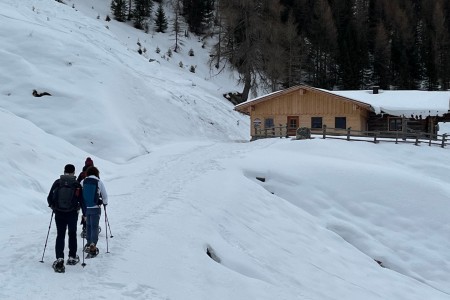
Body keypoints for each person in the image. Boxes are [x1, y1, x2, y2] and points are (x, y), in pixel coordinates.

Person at [47, 164, 85, 273]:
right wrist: (85, 213)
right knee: (72, 234)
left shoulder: (58, 182)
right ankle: (72, 257)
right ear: (73, 172)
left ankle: (59, 258)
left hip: (59, 213)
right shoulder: (76, 183)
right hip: (72, 213)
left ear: (64, 171)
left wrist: (53, 207)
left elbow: (49, 198)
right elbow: (81, 200)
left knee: (60, 234)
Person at [81, 166, 108, 256]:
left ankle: (88, 243)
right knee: (94, 226)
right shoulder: (98, 181)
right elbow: (104, 195)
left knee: (88, 225)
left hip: (86, 208)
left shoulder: (83, 181)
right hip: (95, 207)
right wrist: (104, 203)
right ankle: (93, 244)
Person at [77, 157, 94, 237]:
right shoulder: (95, 174)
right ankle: (92, 228)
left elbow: (77, 183)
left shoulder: (82, 174)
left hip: (82, 197)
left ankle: (85, 228)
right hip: (93, 197)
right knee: (93, 212)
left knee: (85, 213)